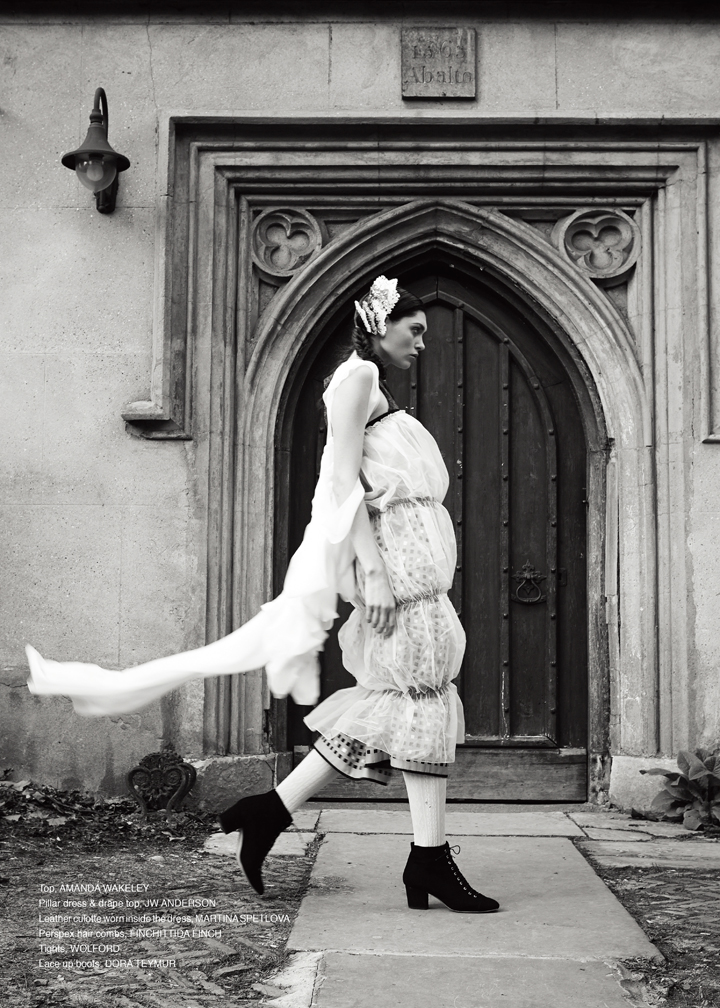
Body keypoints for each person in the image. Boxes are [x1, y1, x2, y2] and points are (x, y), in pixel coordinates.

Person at [25, 275, 499, 914]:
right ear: (379, 326)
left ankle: (275, 813)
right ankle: (425, 859)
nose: (421, 343)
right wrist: (377, 575)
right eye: (413, 331)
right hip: (400, 580)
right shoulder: (359, 377)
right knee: (417, 700)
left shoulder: (371, 386)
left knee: (401, 704)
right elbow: (341, 485)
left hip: (416, 579)